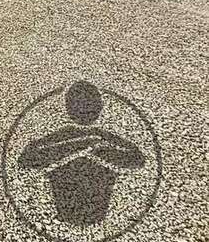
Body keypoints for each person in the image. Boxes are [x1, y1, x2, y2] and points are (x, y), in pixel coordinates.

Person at [18, 80, 145, 226]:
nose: (84, 110)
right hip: (68, 196)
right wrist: (83, 144)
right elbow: (26, 158)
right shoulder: (73, 135)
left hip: (97, 199)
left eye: (89, 105)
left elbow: (137, 159)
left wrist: (96, 149)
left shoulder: (99, 136)